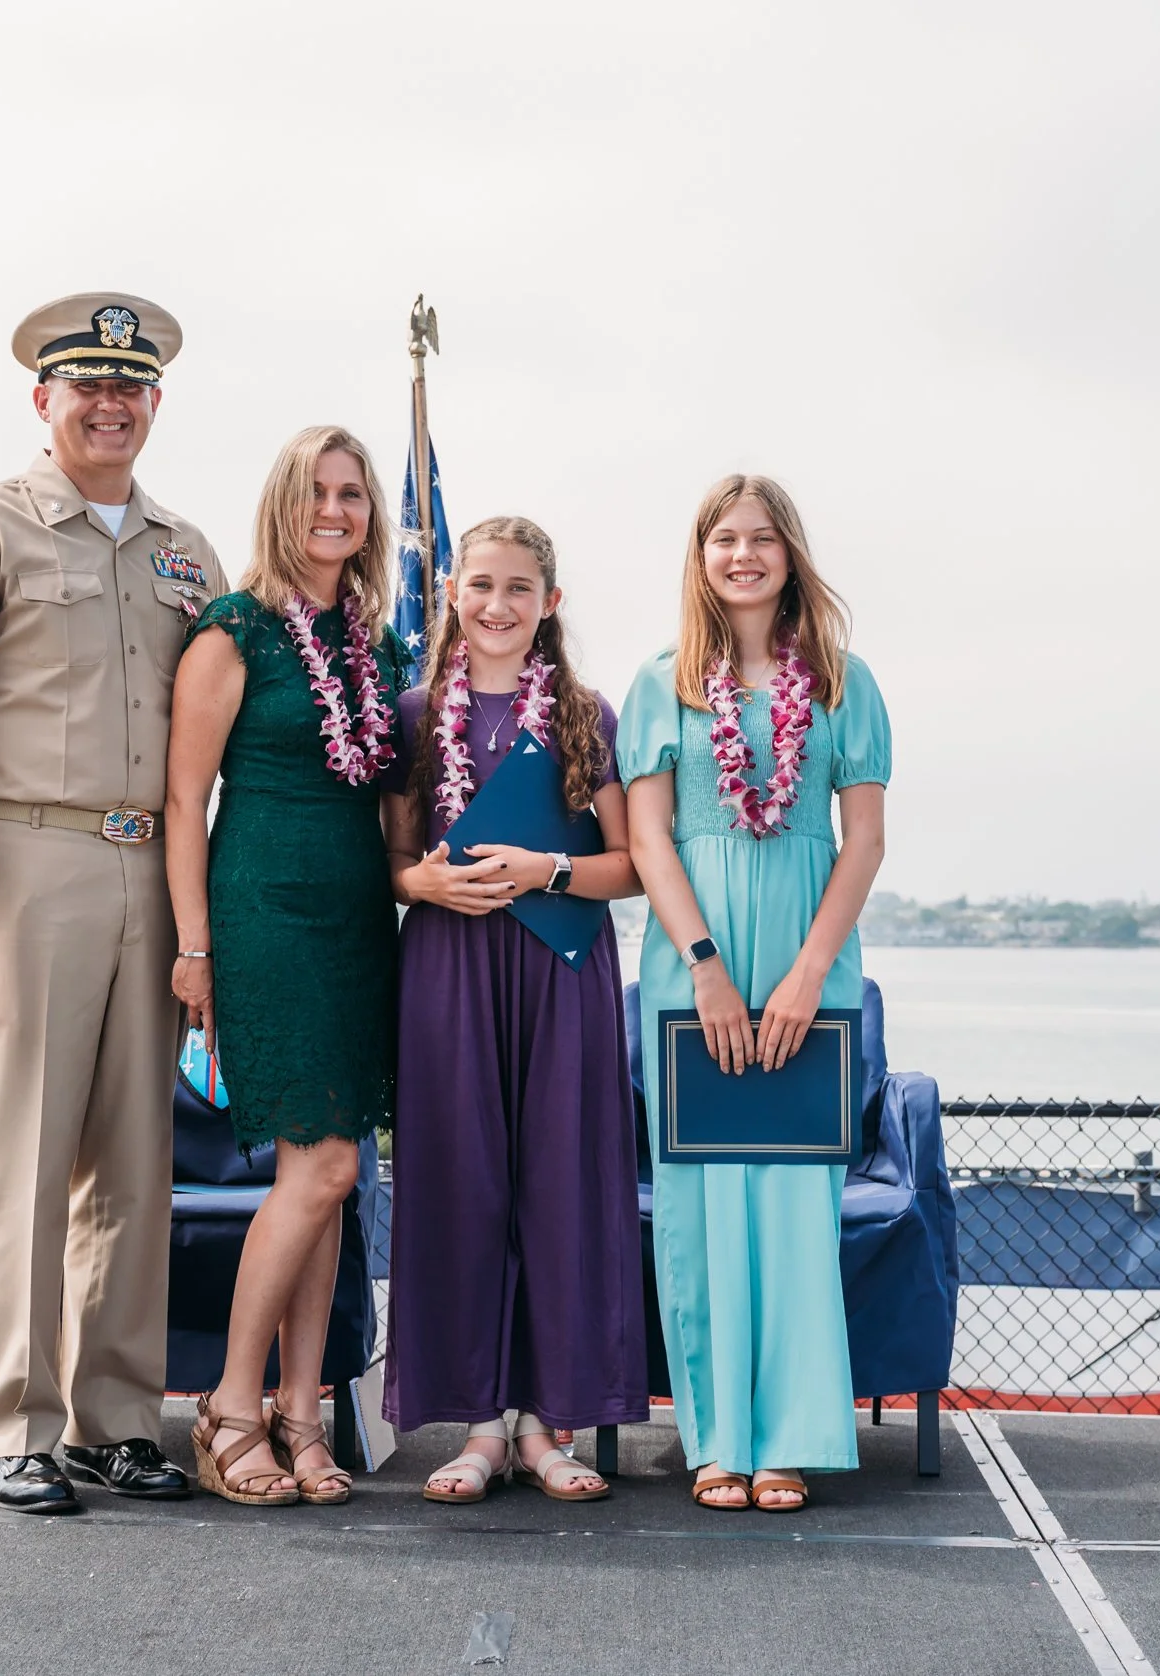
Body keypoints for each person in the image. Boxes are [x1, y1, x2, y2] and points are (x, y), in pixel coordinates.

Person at [0, 291, 222, 1514]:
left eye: (128, 385)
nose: (109, 400)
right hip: (26, 857)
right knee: (26, 1158)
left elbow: (218, 747)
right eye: (85, 381)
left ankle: (117, 1419)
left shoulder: (190, 552)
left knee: (139, 1162)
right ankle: (17, 1422)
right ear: (44, 399)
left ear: (155, 404)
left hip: (155, 866)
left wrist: (204, 926)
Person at [619, 474, 890, 1513]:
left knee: (791, 1203)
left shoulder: (841, 681)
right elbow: (648, 836)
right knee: (701, 1207)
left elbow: (862, 836)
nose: (743, 554)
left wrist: (811, 973)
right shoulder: (663, 682)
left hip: (809, 962)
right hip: (697, 965)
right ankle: (717, 1439)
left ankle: (791, 1437)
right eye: (724, 538)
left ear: (791, 554)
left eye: (762, 538)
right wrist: (707, 965)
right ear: (700, 555)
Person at [380, 516, 649, 1504]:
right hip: (451, 967)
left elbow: (632, 866)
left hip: (560, 970)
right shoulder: (415, 713)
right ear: (451, 592)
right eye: (481, 584)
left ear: (551, 602)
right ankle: (481, 1425)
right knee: (462, 1187)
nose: (498, 604)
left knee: (561, 1188)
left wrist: (551, 867)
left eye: (520, 588)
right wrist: (426, 886)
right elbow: (396, 862)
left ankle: (550, 1424)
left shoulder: (588, 713)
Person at [164, 425, 409, 1506]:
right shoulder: (234, 630)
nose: (336, 509)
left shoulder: (378, 644)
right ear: (282, 501)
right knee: (324, 1169)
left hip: (361, 927)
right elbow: (184, 802)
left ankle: (303, 1414)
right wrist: (195, 947)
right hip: (266, 916)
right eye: (318, 490)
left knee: (328, 1180)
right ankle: (226, 1404)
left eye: (354, 493)